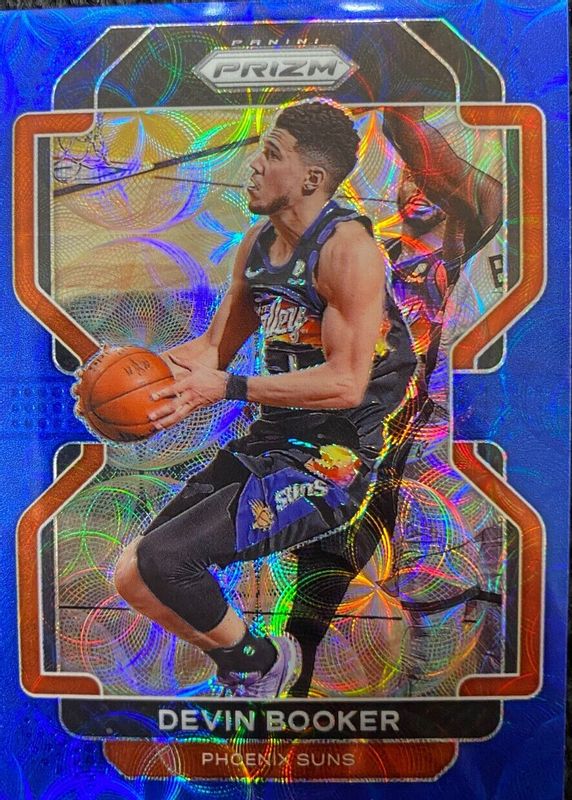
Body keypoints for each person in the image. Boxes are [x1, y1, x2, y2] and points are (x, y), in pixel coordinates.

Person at [112, 99, 418, 698]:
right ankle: (256, 662)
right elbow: (211, 351)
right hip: (272, 443)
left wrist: (230, 389)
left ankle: (265, 666)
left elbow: (347, 383)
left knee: (168, 561)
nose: (253, 164)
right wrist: (126, 375)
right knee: (133, 575)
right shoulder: (258, 243)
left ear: (311, 178)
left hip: (330, 462)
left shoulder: (348, 249)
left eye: (271, 154)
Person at [285, 106, 503, 697]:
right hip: (368, 438)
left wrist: (392, 97)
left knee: (446, 600)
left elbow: (438, 164)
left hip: (438, 451)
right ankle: (287, 689)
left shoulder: (471, 235)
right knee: (321, 565)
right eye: (404, 178)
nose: (414, 188)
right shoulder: (369, 251)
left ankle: (451, 707)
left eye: (423, 176)